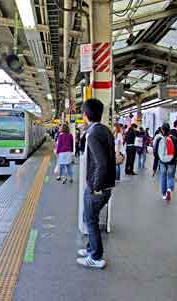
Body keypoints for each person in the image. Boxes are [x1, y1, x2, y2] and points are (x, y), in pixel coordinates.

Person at [76, 98, 115, 269]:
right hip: (107, 186)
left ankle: (96, 257)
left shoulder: (92, 134)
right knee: (90, 218)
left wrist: (95, 187)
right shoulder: (106, 130)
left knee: (90, 221)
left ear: (85, 115)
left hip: (98, 187)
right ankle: (91, 248)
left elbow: (101, 163)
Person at [154, 123, 177, 201]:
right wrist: (173, 157)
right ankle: (169, 189)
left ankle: (164, 194)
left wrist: (158, 160)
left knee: (163, 176)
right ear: (169, 129)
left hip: (162, 162)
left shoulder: (159, 139)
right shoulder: (174, 138)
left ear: (162, 129)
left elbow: (155, 152)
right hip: (171, 162)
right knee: (170, 176)